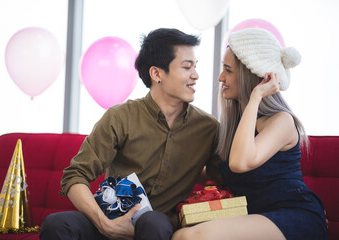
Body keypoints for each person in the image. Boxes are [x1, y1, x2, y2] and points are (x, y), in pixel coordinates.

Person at [40, 28, 222, 240]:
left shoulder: (207, 128)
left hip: (157, 227)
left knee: (153, 221)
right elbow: (74, 175)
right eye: (186, 67)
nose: (195, 75)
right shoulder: (120, 117)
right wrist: (105, 224)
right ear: (156, 74)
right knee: (57, 224)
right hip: (109, 220)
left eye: (195, 67)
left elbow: (225, 176)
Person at [172, 28, 328, 240]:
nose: (220, 78)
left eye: (228, 70)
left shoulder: (281, 121)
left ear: (250, 75)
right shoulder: (236, 126)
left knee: (194, 237)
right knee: (179, 233)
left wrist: (256, 96)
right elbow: (217, 171)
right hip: (253, 216)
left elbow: (240, 163)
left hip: (292, 215)